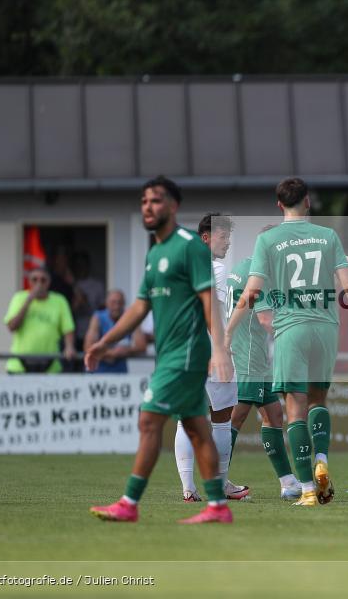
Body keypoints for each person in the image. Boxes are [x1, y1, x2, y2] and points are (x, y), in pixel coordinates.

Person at [225, 177, 348, 507]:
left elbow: (252, 292)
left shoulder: (268, 240)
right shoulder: (327, 236)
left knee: (294, 408)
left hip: (291, 329)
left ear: (279, 204)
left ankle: (308, 489)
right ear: (308, 201)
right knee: (317, 401)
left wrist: (228, 331)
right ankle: (322, 457)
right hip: (324, 328)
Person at [85, 175, 233, 524]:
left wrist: (220, 350)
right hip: (169, 354)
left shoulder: (189, 246)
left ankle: (129, 502)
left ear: (172, 206)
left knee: (149, 419)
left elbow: (209, 300)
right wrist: (105, 342)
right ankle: (217, 507)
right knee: (197, 428)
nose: (148, 207)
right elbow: (139, 307)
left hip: (185, 354)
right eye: (144, 201)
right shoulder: (156, 253)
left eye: (156, 200)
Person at [173, 213, 248, 502]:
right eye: (223, 237)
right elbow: (212, 313)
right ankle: (220, 484)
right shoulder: (214, 268)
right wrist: (222, 349)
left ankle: (188, 489)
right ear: (206, 237)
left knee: (186, 419)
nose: (227, 243)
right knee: (221, 418)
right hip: (209, 351)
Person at [224, 224, 302, 501]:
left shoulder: (244, 267)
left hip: (252, 356)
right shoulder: (259, 275)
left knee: (273, 414)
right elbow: (266, 320)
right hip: (246, 357)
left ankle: (288, 482)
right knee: (234, 417)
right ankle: (217, 481)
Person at [4, 267, 76, 374]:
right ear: (29, 282)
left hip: (50, 365)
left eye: (43, 280)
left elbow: (68, 329)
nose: (39, 283)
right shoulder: (19, 298)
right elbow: (12, 327)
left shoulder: (59, 300)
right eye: (35, 279)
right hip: (19, 365)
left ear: (49, 283)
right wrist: (28, 301)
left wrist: (69, 346)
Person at [83, 290, 147, 374]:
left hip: (120, 373)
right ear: (106, 303)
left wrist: (126, 350)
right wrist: (112, 353)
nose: (116, 306)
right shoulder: (98, 317)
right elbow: (87, 347)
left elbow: (142, 346)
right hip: (97, 372)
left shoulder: (130, 318)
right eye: (113, 302)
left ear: (124, 304)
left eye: (120, 303)